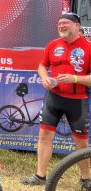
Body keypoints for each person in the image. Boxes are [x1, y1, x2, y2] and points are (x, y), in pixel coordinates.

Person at [21, 13, 91, 188]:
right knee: (44, 135)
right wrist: (44, 77)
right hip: (54, 98)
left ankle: (85, 179)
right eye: (59, 23)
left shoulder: (88, 47)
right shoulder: (52, 45)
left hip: (77, 101)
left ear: (77, 25)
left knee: (81, 142)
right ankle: (40, 176)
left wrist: (76, 79)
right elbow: (42, 66)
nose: (61, 26)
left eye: (65, 23)